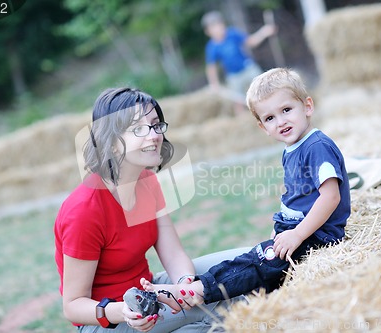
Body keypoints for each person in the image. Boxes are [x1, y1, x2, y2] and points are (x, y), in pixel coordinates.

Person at [141, 68, 351, 308]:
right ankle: (213, 291)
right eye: (270, 118)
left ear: (307, 107)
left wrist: (297, 234)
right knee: (257, 267)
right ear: (262, 127)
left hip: (318, 236)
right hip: (297, 230)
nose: (280, 121)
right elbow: (299, 196)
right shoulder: (293, 148)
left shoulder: (316, 146)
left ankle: (197, 290)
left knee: (260, 261)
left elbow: (330, 196)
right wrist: (283, 228)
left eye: (286, 110)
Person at [54, 87, 247, 332]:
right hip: (110, 321)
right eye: (138, 129)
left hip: (151, 290)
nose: (154, 135)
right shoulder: (84, 210)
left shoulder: (146, 180)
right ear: (112, 143)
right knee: (227, 307)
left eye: (156, 125)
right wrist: (122, 311)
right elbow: (72, 305)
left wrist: (183, 286)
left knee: (243, 270)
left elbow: (174, 254)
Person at [201, 10, 277, 115]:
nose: (218, 29)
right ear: (208, 32)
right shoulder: (212, 47)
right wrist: (214, 83)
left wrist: (264, 32)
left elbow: (251, 41)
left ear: (223, 25)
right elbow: (211, 67)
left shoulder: (232, 34)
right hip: (233, 76)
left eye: (219, 25)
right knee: (238, 101)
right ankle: (243, 120)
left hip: (247, 68)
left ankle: (273, 109)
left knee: (263, 88)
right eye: (213, 28)